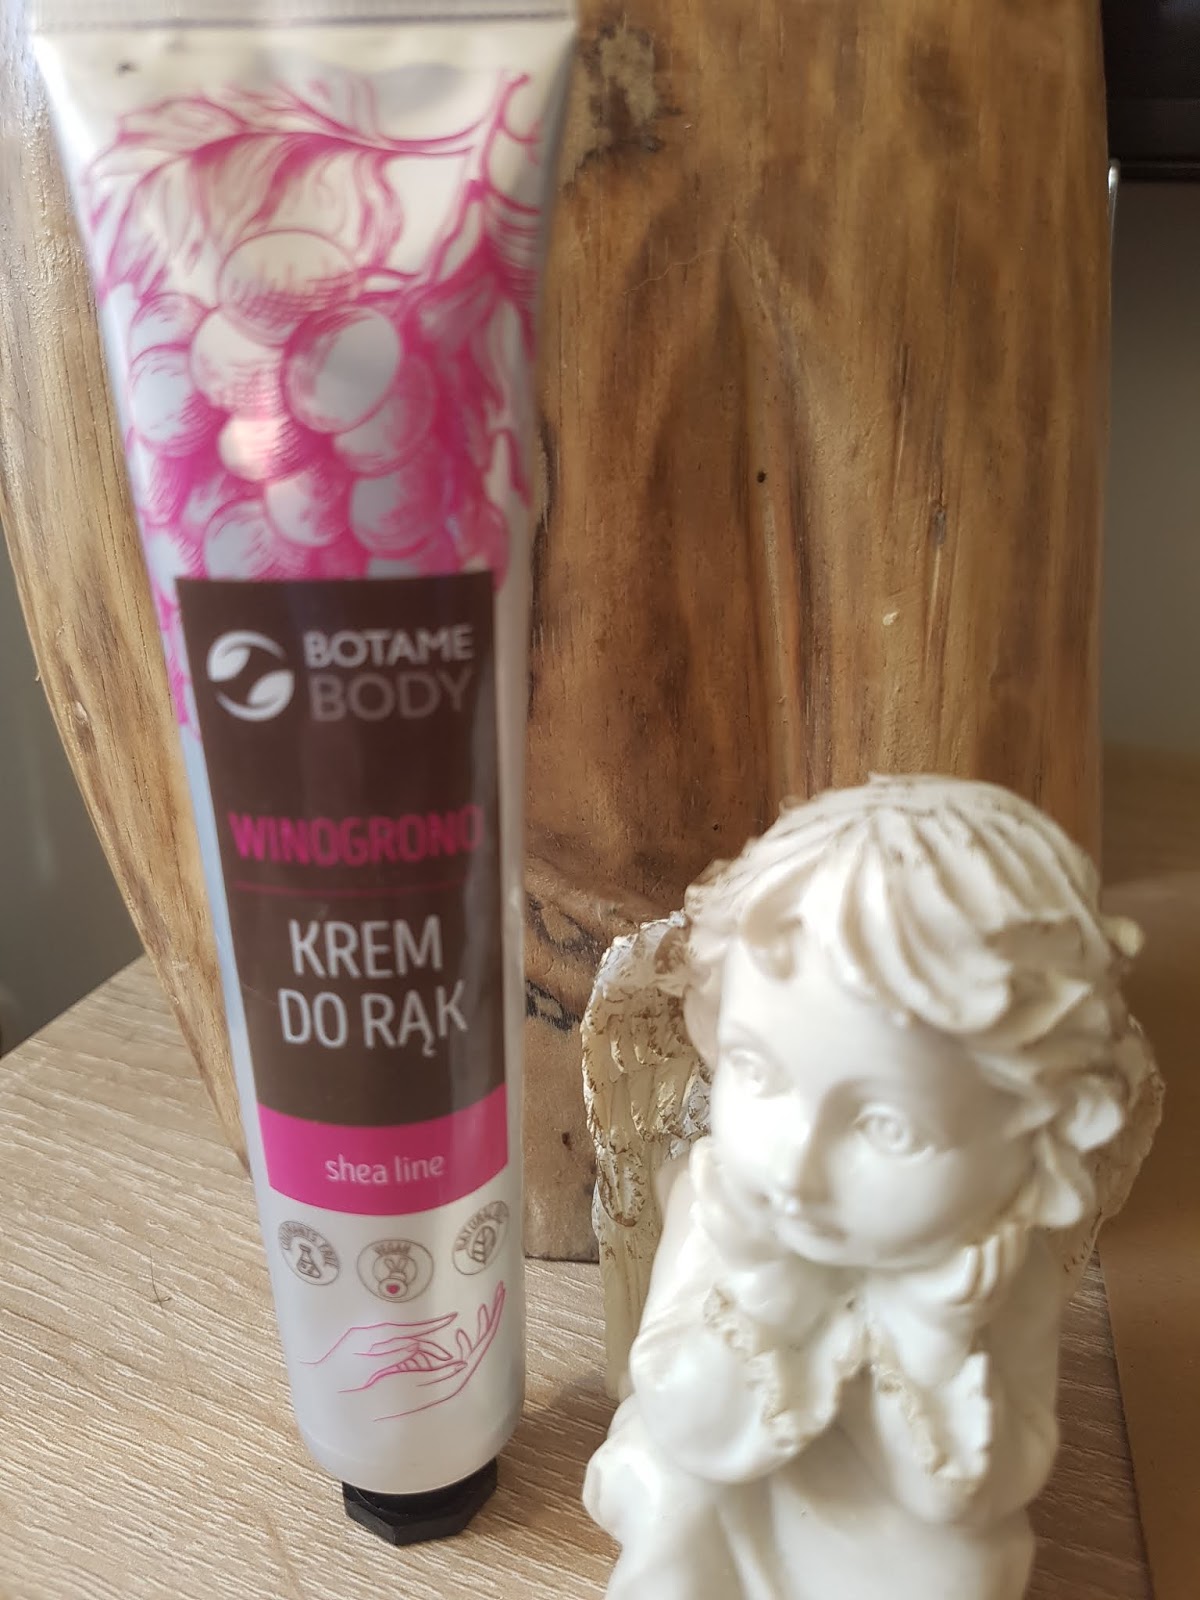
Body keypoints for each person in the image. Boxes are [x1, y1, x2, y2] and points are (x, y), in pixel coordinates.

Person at [584, 776, 1155, 1600]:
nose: (795, 1168)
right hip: (723, 1472)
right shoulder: (721, 1212)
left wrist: (933, 1352)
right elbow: (683, 1414)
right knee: (680, 1504)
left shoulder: (997, 1272)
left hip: (881, 1515)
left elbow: (987, 1488)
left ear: (1035, 1139)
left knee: (967, 1567)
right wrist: (766, 1309)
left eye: (888, 1127)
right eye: (756, 1071)